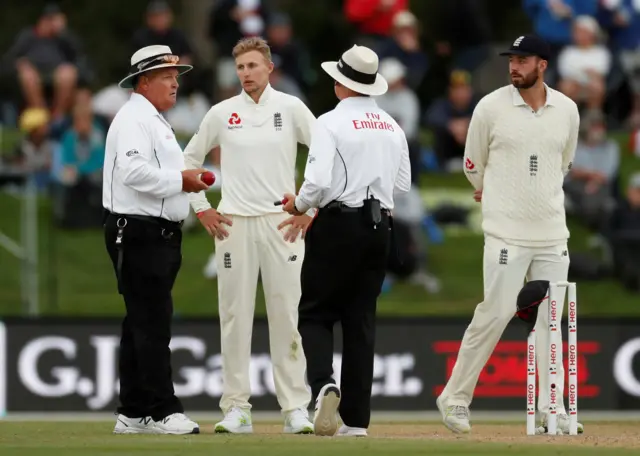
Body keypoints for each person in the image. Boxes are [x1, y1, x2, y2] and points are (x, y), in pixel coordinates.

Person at [435, 34, 584, 435]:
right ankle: (454, 399)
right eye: (511, 59)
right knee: (496, 313)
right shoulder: (491, 106)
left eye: (523, 60)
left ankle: (551, 407)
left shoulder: (567, 110)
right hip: (505, 231)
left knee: (551, 323)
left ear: (543, 65)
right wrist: (496, 191)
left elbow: (564, 163)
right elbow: (472, 164)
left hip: (552, 232)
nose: (514, 66)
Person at [182, 37, 316, 435]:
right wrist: (202, 207)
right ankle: (236, 408)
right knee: (235, 317)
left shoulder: (291, 108)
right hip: (233, 223)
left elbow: (327, 154)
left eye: (253, 66)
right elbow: (188, 161)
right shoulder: (222, 113)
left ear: (269, 67)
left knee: (286, 315)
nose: (246, 74)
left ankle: (294, 408)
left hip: (281, 223)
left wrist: (309, 207)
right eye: (240, 67)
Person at [281, 44, 412, 437]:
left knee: (315, 313)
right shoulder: (392, 126)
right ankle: (356, 421)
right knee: (361, 321)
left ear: (341, 83)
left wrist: (300, 205)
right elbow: (402, 186)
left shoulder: (330, 122)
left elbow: (317, 182)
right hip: (380, 227)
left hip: (339, 223)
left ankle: (323, 384)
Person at [103, 45, 208, 435]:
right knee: (152, 323)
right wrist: (182, 180)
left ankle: (132, 411)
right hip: (137, 230)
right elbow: (133, 172)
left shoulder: (154, 120)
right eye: (167, 76)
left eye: (176, 76)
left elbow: (168, 175)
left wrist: (195, 182)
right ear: (144, 82)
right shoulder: (135, 118)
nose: (175, 83)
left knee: (139, 323)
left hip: (155, 233)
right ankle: (164, 410)